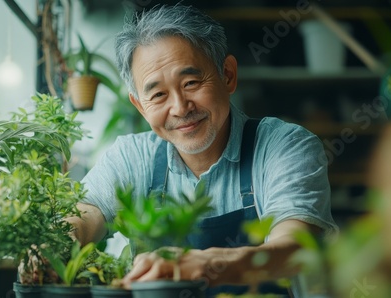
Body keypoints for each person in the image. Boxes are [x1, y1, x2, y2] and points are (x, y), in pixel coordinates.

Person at [66, 4, 337, 297]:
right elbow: (84, 213)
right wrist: (55, 243)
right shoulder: (131, 158)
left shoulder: (284, 147)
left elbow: (295, 249)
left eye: (191, 83)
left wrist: (205, 266)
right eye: (158, 95)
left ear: (228, 75)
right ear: (140, 106)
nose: (181, 108)